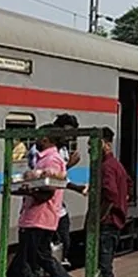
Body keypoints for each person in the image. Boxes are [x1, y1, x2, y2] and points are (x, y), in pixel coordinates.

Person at [9, 131, 72, 277]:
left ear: (45, 139)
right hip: (37, 217)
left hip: (39, 217)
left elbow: (48, 191)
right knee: (35, 254)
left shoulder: (51, 160)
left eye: (38, 137)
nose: (35, 140)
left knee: (37, 254)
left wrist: (26, 189)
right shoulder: (46, 159)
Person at [49, 114, 88, 267]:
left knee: (64, 239)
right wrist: (69, 165)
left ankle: (59, 265)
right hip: (46, 204)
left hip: (58, 204)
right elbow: (50, 175)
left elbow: (61, 177)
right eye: (67, 133)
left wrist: (77, 187)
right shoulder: (47, 152)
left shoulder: (63, 150)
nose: (69, 137)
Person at [97, 127, 131, 277]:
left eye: (93, 145)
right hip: (115, 220)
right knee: (106, 262)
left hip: (108, 221)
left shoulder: (107, 167)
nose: (90, 149)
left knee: (104, 266)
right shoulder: (116, 165)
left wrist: (100, 216)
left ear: (105, 144)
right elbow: (128, 183)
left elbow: (110, 194)